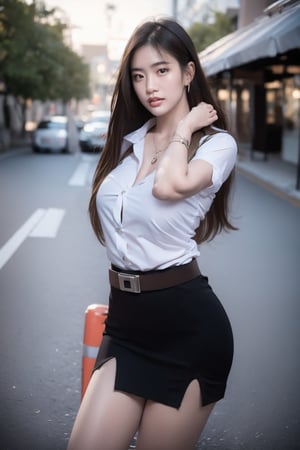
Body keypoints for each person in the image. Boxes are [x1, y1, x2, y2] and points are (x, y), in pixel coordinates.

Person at [68, 17, 237, 450]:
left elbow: (169, 185)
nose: (149, 86)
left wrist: (182, 129)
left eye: (162, 70)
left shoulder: (216, 145)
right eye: (139, 75)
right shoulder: (127, 144)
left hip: (187, 329)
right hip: (126, 324)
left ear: (187, 73)